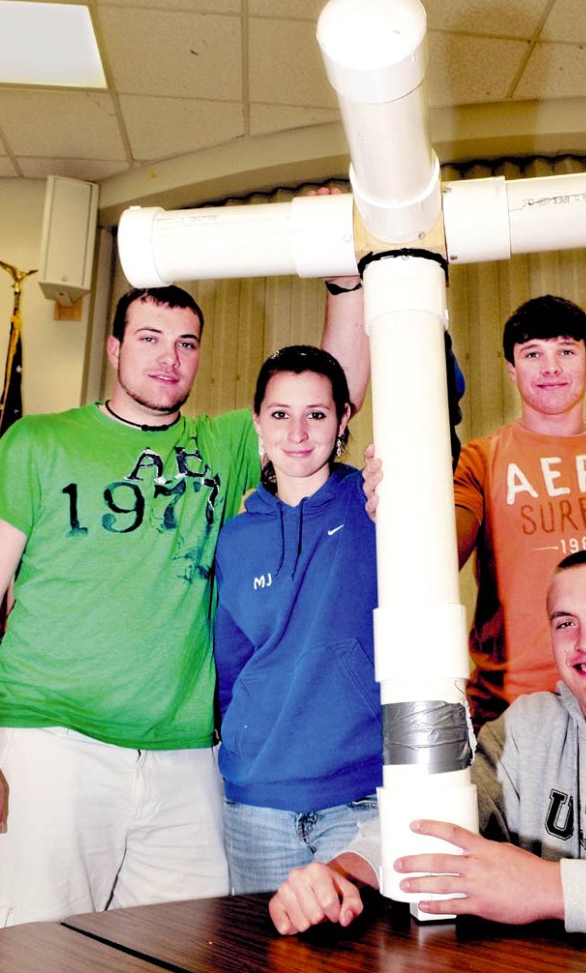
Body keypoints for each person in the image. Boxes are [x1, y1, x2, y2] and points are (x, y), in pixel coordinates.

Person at [0, 277, 368, 931]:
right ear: (113, 346)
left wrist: (344, 284)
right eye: (151, 338)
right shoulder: (38, 443)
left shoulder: (223, 445)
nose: (169, 357)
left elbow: (328, 392)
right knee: (29, 948)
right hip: (53, 743)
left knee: (184, 948)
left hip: (187, 760)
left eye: (187, 343)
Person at [267, 550, 586, 946]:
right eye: (565, 623)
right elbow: (435, 822)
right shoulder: (526, 729)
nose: (585, 641)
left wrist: (550, 888)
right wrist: (337, 876)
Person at [367, 294, 586, 726]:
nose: (551, 367)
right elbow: (440, 553)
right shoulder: (481, 460)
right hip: (516, 713)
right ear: (512, 371)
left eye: (566, 351)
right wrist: (405, 497)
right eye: (533, 353)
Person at [214, 345, 380, 893]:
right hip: (255, 803)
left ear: (343, 420)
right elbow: (232, 668)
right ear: (258, 421)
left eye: (317, 414)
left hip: (357, 799)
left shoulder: (376, 505)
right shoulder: (236, 537)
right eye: (280, 415)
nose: (298, 433)